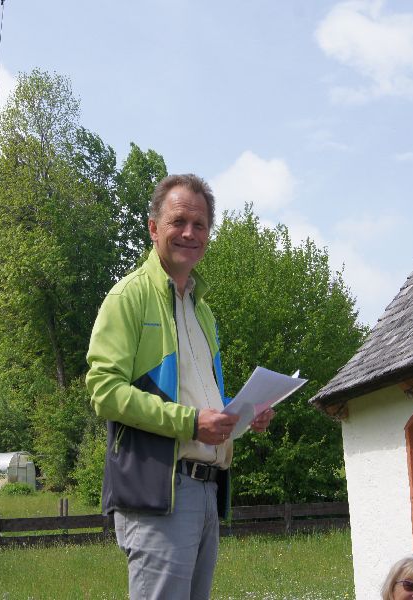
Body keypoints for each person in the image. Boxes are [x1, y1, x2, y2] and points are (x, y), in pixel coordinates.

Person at [86, 173, 275, 600]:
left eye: (201, 224)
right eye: (178, 221)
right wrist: (191, 424)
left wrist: (245, 414)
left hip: (207, 490)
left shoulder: (202, 310)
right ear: (154, 228)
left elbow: (205, 405)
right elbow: (104, 391)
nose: (190, 233)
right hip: (160, 493)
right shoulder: (127, 297)